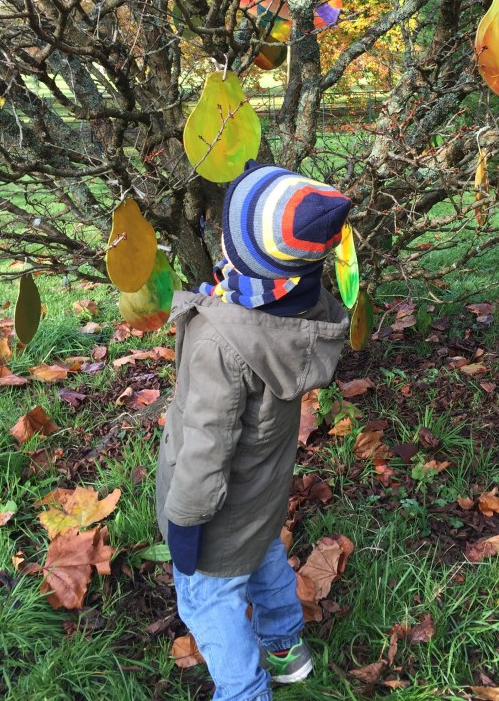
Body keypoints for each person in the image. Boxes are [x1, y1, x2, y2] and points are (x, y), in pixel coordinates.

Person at [156, 161, 352, 701]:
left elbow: (205, 442)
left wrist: (186, 524)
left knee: (207, 600)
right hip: (262, 496)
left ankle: (244, 691)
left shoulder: (221, 343)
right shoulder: (301, 306)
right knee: (264, 557)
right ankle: (287, 648)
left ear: (240, 248)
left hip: (215, 512)